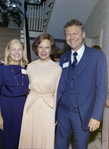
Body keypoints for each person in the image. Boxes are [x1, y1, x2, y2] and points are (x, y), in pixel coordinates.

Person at [55, 19, 108, 149]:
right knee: (59, 144)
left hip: (83, 113)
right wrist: (55, 113)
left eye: (75, 33)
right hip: (63, 111)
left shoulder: (97, 56)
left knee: (80, 146)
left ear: (83, 34)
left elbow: (102, 89)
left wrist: (96, 116)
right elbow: (61, 85)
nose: (72, 37)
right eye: (68, 34)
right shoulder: (64, 57)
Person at [19, 33, 62, 149]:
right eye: (40, 47)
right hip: (31, 105)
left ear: (51, 49)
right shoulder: (30, 66)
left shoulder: (57, 69)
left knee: (45, 137)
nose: (43, 50)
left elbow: (57, 93)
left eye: (47, 47)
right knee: (29, 136)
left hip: (48, 107)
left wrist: (56, 114)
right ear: (36, 48)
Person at [0, 39, 29, 149]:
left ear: (23, 52)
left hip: (22, 108)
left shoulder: (27, 68)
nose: (16, 52)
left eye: (19, 49)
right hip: (6, 108)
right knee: (5, 142)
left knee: (19, 141)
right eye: (13, 49)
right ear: (8, 51)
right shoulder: (2, 68)